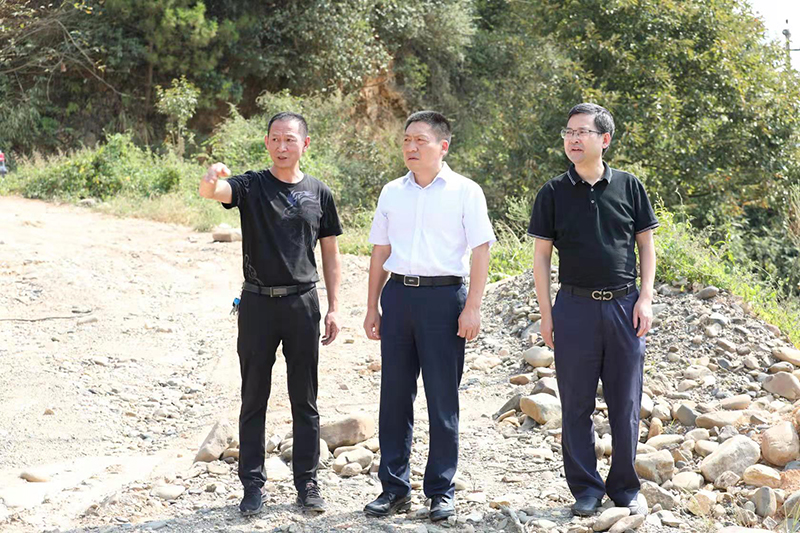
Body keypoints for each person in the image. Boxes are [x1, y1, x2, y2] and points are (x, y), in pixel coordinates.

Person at [198, 111, 343, 516]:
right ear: (266, 143)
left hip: (303, 303)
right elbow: (213, 191)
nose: (282, 146)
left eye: (290, 139)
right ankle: (252, 485)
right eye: (275, 139)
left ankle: (307, 483)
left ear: (305, 144)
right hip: (257, 303)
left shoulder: (320, 193)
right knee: (253, 397)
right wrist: (211, 177)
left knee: (305, 399)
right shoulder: (252, 185)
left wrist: (335, 307)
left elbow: (331, 254)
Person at [362, 111, 495, 522]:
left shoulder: (465, 191)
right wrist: (372, 306)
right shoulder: (392, 192)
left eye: (420, 140)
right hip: (399, 296)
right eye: (406, 140)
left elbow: (481, 251)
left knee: (442, 399)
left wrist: (473, 307)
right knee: (394, 397)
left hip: (444, 299)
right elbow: (380, 252)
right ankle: (394, 489)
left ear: (443, 146)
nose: (411, 147)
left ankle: (440, 491)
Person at [528, 103, 658, 517]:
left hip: (624, 306)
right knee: (576, 404)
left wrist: (646, 297)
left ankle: (624, 488)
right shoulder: (552, 192)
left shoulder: (629, 186)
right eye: (568, 132)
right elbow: (541, 257)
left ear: (604, 139)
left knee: (626, 404)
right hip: (574, 308)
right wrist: (547, 313)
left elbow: (646, 246)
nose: (573, 139)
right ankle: (585, 489)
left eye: (581, 132)